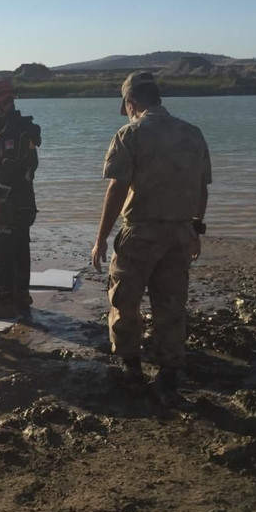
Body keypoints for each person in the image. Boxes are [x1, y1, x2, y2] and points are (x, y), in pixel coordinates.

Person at [91, 71, 211, 408]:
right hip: (180, 232)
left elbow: (116, 189)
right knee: (172, 305)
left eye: (126, 106)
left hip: (141, 231)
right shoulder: (192, 133)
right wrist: (196, 229)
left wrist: (100, 239)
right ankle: (168, 379)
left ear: (132, 102)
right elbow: (201, 188)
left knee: (125, 301)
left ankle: (132, 371)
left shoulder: (130, 134)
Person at [0, 79, 41, 319]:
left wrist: (1, 197)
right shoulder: (20, 129)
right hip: (24, 201)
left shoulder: (12, 132)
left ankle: (5, 301)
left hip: (11, 203)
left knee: (2, 253)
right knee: (20, 249)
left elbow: (11, 168)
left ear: (6, 103)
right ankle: (21, 294)